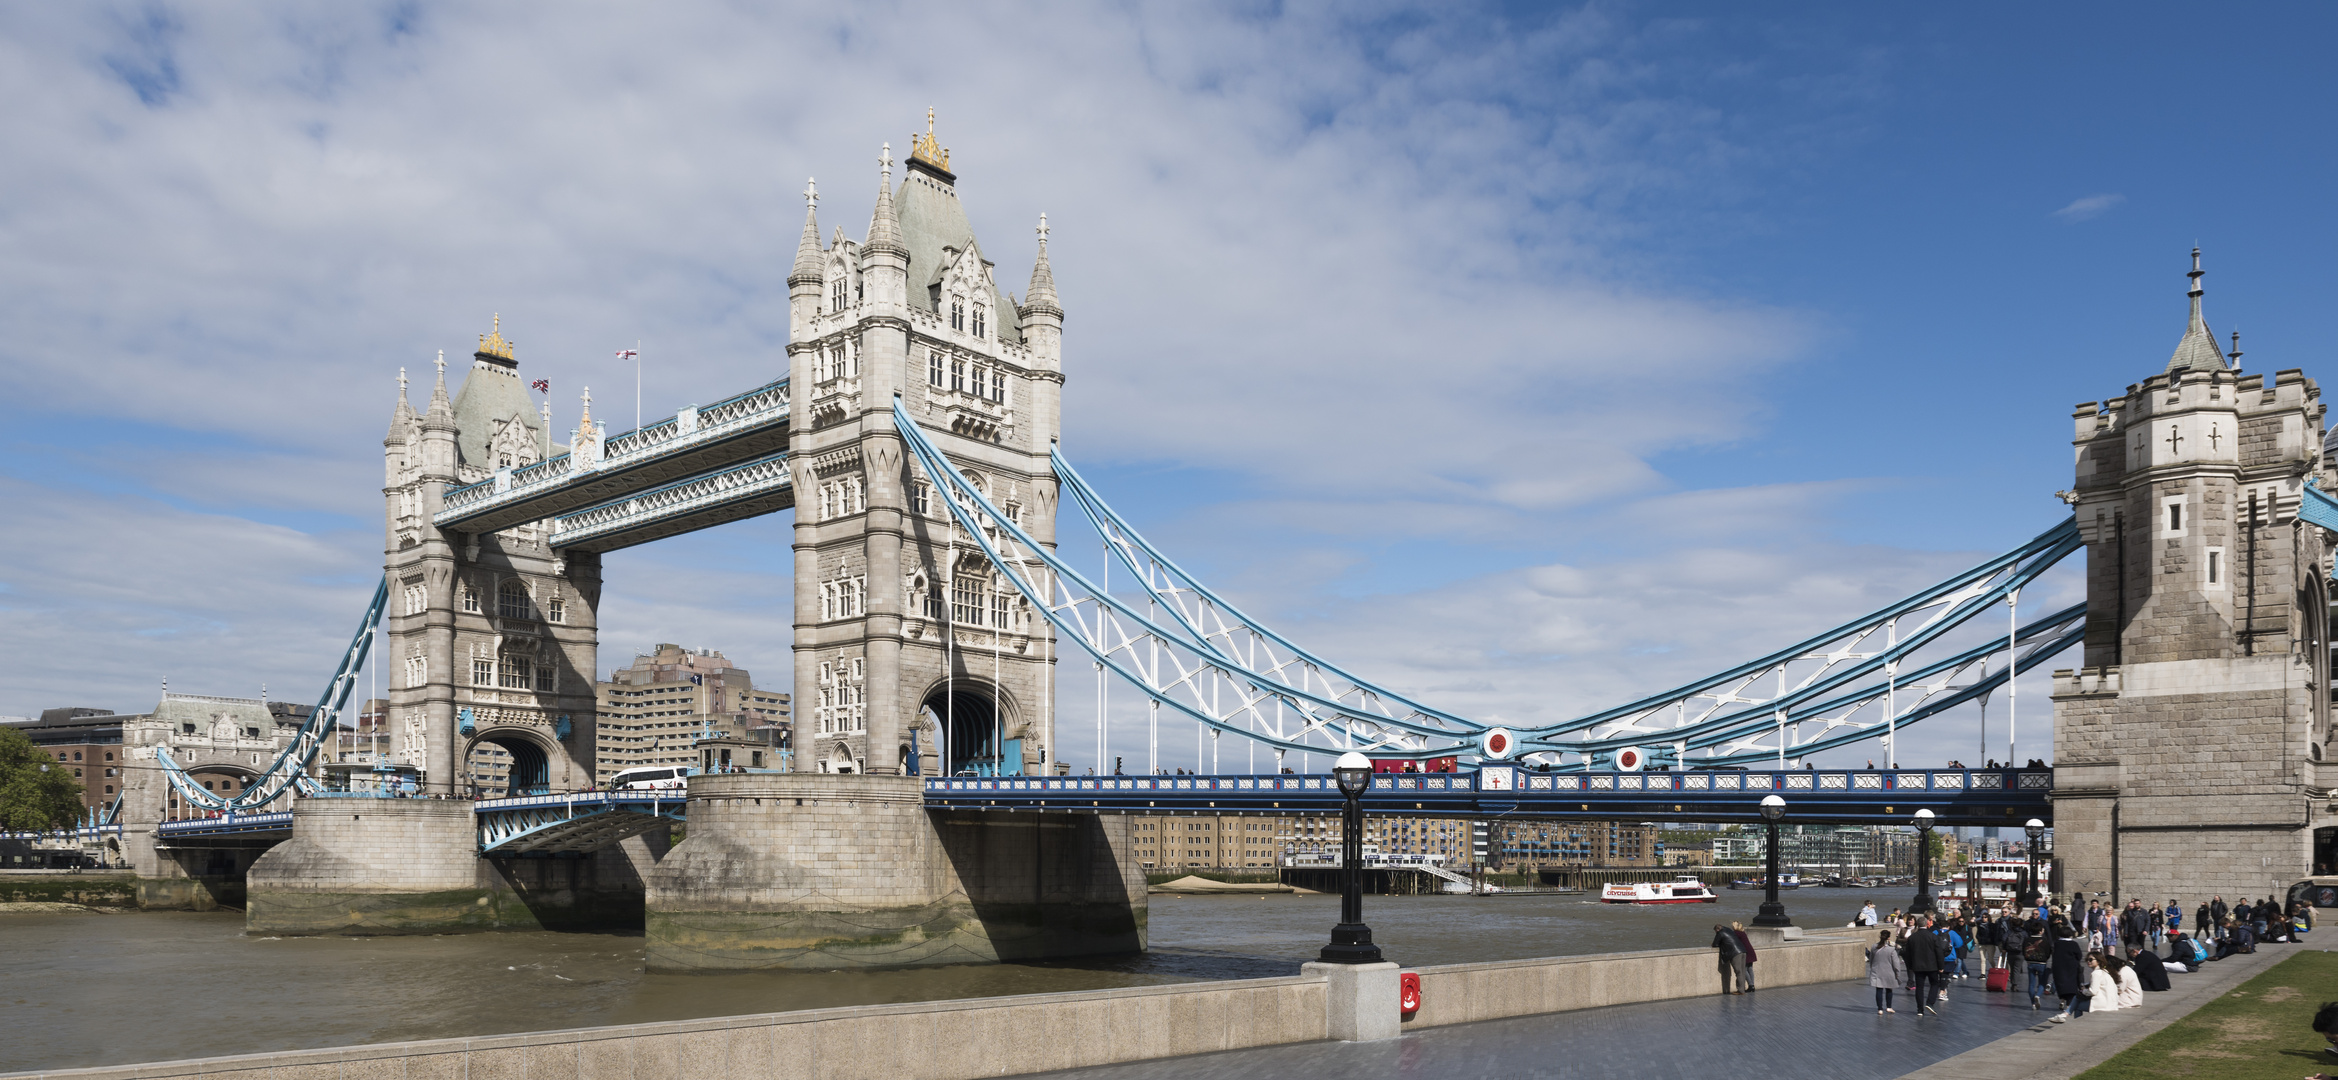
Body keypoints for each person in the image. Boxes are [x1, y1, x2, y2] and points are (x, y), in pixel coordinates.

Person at [1903, 915, 1947, 1016]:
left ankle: (1919, 1010)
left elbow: (1908, 954)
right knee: (1934, 984)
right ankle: (1930, 1003)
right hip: (1932, 966)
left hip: (1917, 966)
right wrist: (1941, 966)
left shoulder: (1912, 937)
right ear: (1927, 924)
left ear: (1917, 924)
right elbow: (1939, 952)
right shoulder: (1933, 936)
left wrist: (1910, 966)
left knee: (1919, 987)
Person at [2047, 924, 2087, 1022]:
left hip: (2059, 968)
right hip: (2071, 968)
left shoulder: (2057, 943)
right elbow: (2079, 955)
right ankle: (2069, 1006)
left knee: (2061, 985)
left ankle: (2063, 1000)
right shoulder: (2073, 944)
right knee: (2071, 986)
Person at [1866, 929, 1908, 1014]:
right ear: (1889, 938)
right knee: (1889, 990)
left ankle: (1880, 1009)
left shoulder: (1874, 947)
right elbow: (1896, 963)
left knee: (1879, 990)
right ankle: (1889, 1007)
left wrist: (1872, 968)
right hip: (1889, 972)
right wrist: (1897, 973)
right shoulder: (1891, 949)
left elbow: (1871, 959)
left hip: (1877, 971)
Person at [1729, 921, 1759, 992]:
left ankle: (1751, 985)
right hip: (1750, 950)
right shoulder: (1742, 933)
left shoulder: (1736, 933)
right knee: (1750, 969)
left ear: (1735, 926)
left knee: (1744, 970)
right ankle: (1752, 986)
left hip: (1746, 952)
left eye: (1732, 926)